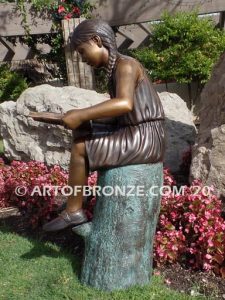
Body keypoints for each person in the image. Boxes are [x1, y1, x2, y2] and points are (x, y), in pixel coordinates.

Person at [42, 19, 165, 232]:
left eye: (82, 51)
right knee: (82, 131)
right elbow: (119, 113)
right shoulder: (116, 69)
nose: (83, 59)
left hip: (145, 137)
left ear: (97, 41)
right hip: (133, 130)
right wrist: (79, 119)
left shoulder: (126, 65)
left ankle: (74, 211)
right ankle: (78, 200)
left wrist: (82, 114)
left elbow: (124, 104)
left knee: (81, 148)